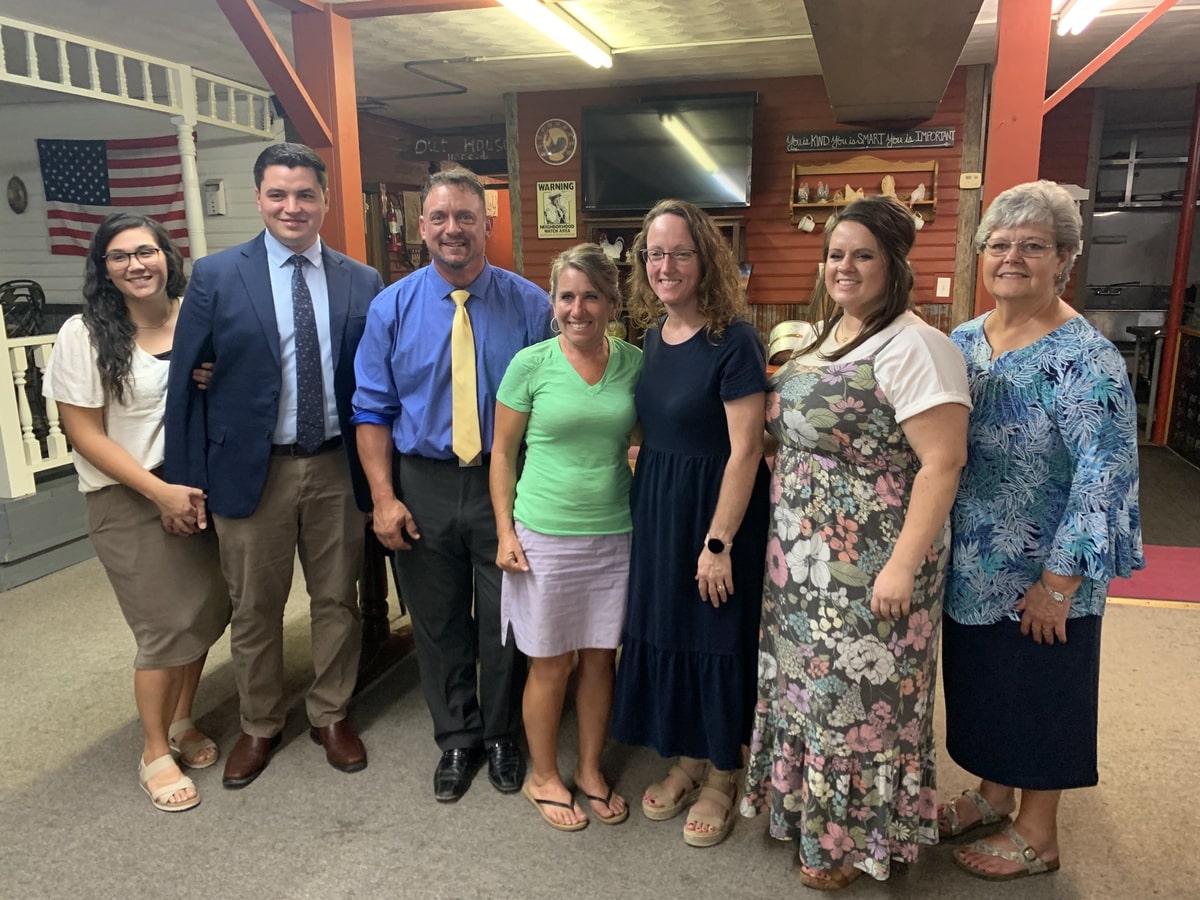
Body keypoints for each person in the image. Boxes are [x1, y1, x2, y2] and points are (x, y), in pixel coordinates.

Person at [739, 195, 970, 888]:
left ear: (895, 265)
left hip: (875, 566)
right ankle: (809, 821)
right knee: (810, 696)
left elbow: (943, 463)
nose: (845, 266)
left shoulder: (919, 348)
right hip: (803, 567)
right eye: (836, 253)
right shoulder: (819, 337)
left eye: (862, 254)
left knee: (861, 708)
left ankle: (848, 845)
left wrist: (901, 566)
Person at [940, 180, 1144, 882]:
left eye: (1034, 246)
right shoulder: (964, 341)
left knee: (1040, 694)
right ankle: (995, 795)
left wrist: (1059, 584)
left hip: (1046, 571)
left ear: (1066, 258)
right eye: (999, 244)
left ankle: (1038, 832)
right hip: (971, 564)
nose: (1012, 257)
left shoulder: (1089, 359)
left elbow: (1104, 477)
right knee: (986, 687)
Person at [165, 142, 385, 789]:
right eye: (279, 194)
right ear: (260, 198)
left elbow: (372, 377)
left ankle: (330, 712)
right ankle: (260, 723)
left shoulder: (361, 280)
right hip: (248, 468)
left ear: (324, 199)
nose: (293, 206)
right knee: (255, 607)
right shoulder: (215, 276)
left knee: (335, 601)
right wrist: (181, 480)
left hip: (334, 465)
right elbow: (186, 381)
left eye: (305, 194)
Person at [353, 167, 552, 803]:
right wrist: (384, 499)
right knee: (438, 623)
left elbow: (553, 401)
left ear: (487, 225)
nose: (452, 230)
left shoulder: (531, 306)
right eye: (439, 218)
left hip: (509, 484)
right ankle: (457, 738)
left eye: (465, 217)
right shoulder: (391, 307)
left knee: (505, 619)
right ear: (421, 226)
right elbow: (371, 411)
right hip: (423, 484)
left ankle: (501, 733)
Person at [44, 213, 229, 812]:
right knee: (162, 627)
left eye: (145, 252)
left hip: (193, 488)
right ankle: (153, 750)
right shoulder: (86, 334)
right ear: (104, 269)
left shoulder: (191, 320)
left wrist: (208, 375)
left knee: (204, 609)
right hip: (128, 499)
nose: (136, 265)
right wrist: (157, 492)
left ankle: (181, 721)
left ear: (167, 257)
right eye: (119, 256)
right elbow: (84, 434)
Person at [609, 198, 769, 848]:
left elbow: (747, 449)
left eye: (679, 252)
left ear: (706, 260)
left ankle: (724, 772)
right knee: (670, 626)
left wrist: (718, 543)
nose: (665, 264)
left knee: (715, 631)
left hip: (715, 510)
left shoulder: (734, 338)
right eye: (654, 253)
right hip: (659, 504)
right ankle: (687, 757)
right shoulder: (651, 337)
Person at [490, 244, 641, 831]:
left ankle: (590, 770)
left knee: (601, 661)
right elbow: (502, 454)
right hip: (543, 535)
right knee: (549, 665)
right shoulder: (529, 365)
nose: (578, 309)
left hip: (614, 535)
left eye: (591, 297)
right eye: (567, 297)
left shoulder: (633, 363)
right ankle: (544, 774)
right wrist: (505, 531)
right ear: (554, 302)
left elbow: (645, 435)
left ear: (612, 302)